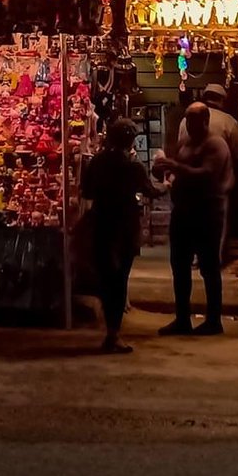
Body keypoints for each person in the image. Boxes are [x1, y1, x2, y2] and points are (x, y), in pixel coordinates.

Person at [81, 118, 164, 353]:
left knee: (107, 278)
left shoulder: (97, 162)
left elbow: (86, 191)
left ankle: (110, 331)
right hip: (124, 225)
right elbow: (151, 191)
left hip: (101, 221)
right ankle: (113, 334)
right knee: (119, 280)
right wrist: (168, 183)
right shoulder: (133, 166)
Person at [153, 102, 232, 336]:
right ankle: (182, 318)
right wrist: (164, 170)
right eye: (187, 121)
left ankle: (214, 320)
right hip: (184, 211)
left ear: (205, 121)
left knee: (209, 267)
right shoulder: (186, 142)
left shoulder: (215, 144)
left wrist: (174, 165)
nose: (189, 125)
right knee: (179, 266)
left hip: (207, 212)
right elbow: (177, 170)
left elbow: (207, 175)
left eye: (194, 121)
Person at [178, 83, 238, 248]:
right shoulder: (228, 122)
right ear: (222, 100)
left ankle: (195, 255)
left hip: (189, 181)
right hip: (217, 183)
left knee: (192, 220)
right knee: (217, 222)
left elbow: (180, 147)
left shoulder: (184, 120)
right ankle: (215, 257)